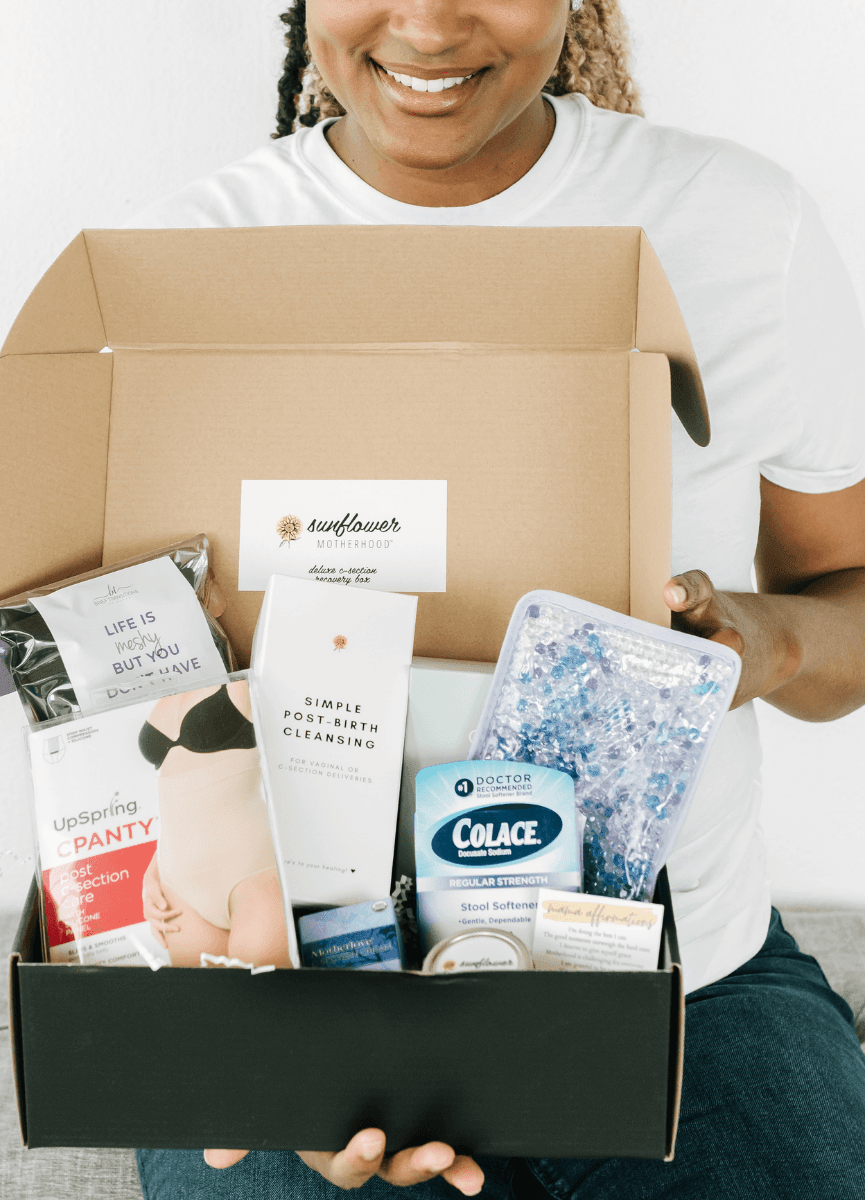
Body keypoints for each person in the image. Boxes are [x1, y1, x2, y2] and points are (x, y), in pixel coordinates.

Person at [130, 0, 865, 1195]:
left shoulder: (740, 226)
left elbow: (848, 594)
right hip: (302, 985)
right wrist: (279, 1056)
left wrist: (763, 643)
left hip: (690, 983)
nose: (427, 23)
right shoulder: (177, 265)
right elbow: (130, 690)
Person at [139, 680, 290, 970]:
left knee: (268, 997)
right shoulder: (163, 681)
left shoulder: (238, 680)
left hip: (250, 874)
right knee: (205, 1000)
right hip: (175, 884)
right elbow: (184, 809)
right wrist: (152, 874)